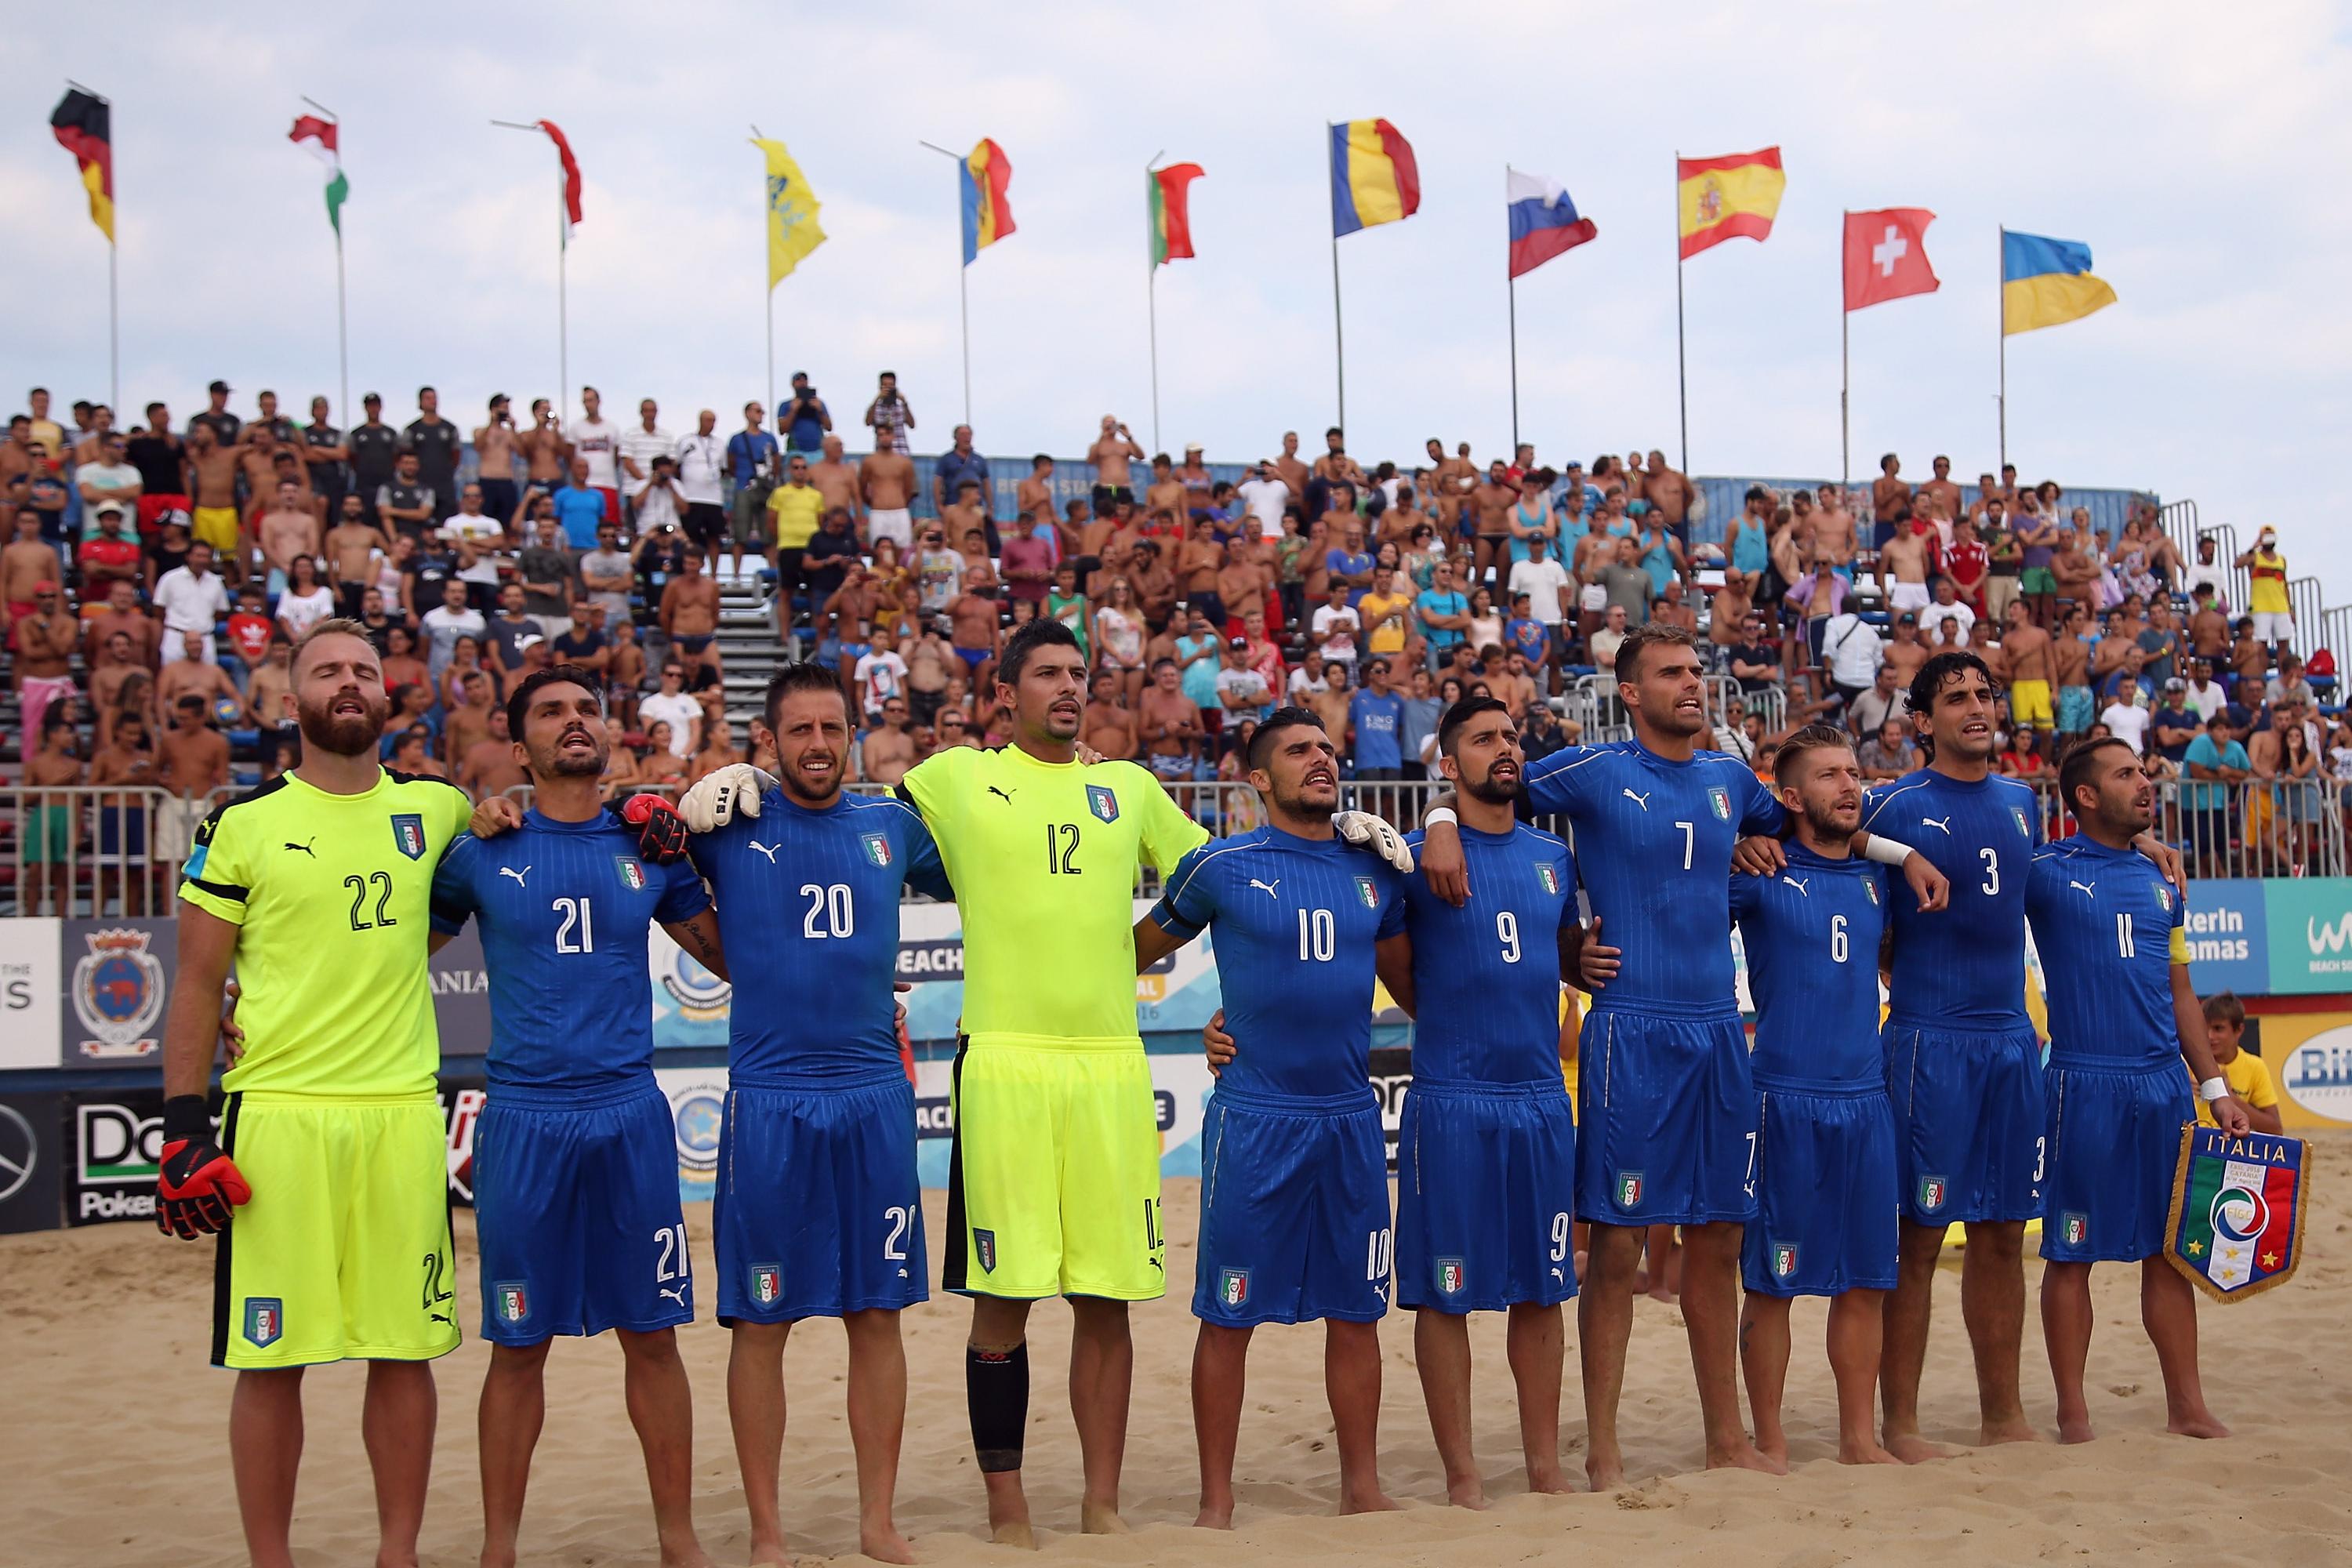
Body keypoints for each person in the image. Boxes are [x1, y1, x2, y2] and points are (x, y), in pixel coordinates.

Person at [673, 620, 1404, 1542]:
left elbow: (1238, 872)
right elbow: (831, 819)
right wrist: (739, 788)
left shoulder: (1129, 785)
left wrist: (1344, 837)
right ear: (1005, 692)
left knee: (1106, 1297)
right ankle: (1007, 1504)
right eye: (1049, 673)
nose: (1069, 685)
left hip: (1107, 1064)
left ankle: (1101, 1503)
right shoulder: (951, 781)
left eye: (1079, 673)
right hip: (1004, 1064)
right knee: (1003, 1297)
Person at [1422, 624, 1943, 1487]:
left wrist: (1902, 849)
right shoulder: (1592, 770)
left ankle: (1724, 1435)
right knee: (1621, 1245)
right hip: (1631, 1025)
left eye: (1696, 669)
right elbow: (1493, 783)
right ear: (1630, 692)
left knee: (1718, 1236)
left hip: (1716, 1031)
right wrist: (1439, 817)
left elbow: (1824, 827)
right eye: (1670, 672)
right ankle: (1603, 1445)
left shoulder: (1733, 779)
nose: (1691, 682)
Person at [154, 620, 476, 1568]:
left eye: (364, 671)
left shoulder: (440, 809)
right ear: (287, 699)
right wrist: (183, 1127)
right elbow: (198, 987)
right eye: (326, 670)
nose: (348, 682)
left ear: (389, 696)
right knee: (269, 1357)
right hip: (279, 1116)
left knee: (403, 1348)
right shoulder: (240, 825)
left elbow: (492, 865)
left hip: (398, 1111)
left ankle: (398, 1552)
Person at [430, 668, 725, 1568]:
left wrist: (701, 846)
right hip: (524, 1122)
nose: (575, 721)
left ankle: (679, 1541)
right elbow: (391, 954)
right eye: (552, 712)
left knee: (654, 1334)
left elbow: (726, 950)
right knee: (518, 1343)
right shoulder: (481, 848)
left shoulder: (650, 843)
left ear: (609, 734)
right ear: (519, 748)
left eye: (588, 709)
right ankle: (498, 1548)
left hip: (628, 1114)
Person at [1860, 649, 2178, 1462]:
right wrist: (1895, 856)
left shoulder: (2017, 802)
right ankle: (1901, 1422)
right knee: (1921, 1236)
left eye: (1985, 693)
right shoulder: (1894, 801)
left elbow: (2069, 865)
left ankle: (2002, 1412)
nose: (1977, 706)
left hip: (2010, 1040)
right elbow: (1806, 822)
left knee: (2003, 1232)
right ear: (1920, 720)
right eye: (1957, 697)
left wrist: (2144, 849)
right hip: (1930, 1039)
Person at [1133, 707, 1409, 1526]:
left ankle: (1360, 1486)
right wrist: (1209, 1029)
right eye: (1298, 751)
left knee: (1359, 1310)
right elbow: (1126, 955)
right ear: (1257, 780)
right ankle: (1216, 1501)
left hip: (1349, 1116)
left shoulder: (1376, 869)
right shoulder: (1219, 864)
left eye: (1327, 748)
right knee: (1228, 1312)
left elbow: (1417, 977)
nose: (1321, 759)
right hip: (1256, 1117)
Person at [1384, 697, 1581, 1501]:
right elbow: (1400, 975)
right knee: (1446, 1290)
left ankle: (1542, 1464)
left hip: (1540, 1096)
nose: (1505, 748)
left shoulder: (1552, 856)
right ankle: (1463, 1473)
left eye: (1509, 735)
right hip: (1454, 1096)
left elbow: (1567, 953)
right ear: (1448, 761)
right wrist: (1435, 820)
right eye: (1483, 738)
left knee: (1544, 1286)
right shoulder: (1417, 859)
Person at [2029, 737, 2250, 1443]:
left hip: (2163, 1087)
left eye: (2146, 771)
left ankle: (2186, 1404)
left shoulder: (2165, 882)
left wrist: (2214, 1086)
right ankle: (2072, 1412)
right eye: (2127, 774)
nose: (2146, 781)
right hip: (2083, 1081)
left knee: (2170, 1251)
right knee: (2072, 1252)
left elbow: (2182, 993)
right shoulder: (2045, 871)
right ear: (2085, 796)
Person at [1725, 726, 1901, 1466]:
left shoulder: (1878, 877)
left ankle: (1860, 1439)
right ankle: (1768, 1438)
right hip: (1782, 1100)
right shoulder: (1759, 871)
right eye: (1828, 776)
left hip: (1866, 1101)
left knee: (1865, 1281)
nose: (1849, 785)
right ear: (1791, 798)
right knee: (1774, 1284)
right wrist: (1739, 839)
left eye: (1853, 772)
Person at [2197, 992, 2283, 1134]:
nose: (2210, 1036)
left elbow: (2275, 1128)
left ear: (2239, 1030)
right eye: (2205, 1028)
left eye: (2218, 1029)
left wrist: (2230, 1099)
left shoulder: (2254, 1067)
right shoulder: (2188, 1064)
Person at [2236, 527, 2292, 661]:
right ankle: (2261, 673)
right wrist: (2253, 547)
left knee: (2284, 643)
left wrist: (2290, 608)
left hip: (2280, 606)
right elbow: (2238, 564)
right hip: (2261, 607)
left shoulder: (2281, 559)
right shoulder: (2255, 556)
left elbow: (2285, 584)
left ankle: (2282, 673)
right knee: (2261, 644)